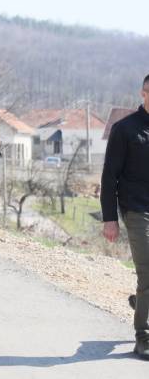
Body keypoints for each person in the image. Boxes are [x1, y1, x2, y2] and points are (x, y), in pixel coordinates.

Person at [101, 74, 149, 360]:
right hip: (138, 209)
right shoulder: (125, 129)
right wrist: (110, 218)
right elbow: (109, 177)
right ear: (143, 93)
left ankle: (142, 302)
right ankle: (143, 336)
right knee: (148, 271)